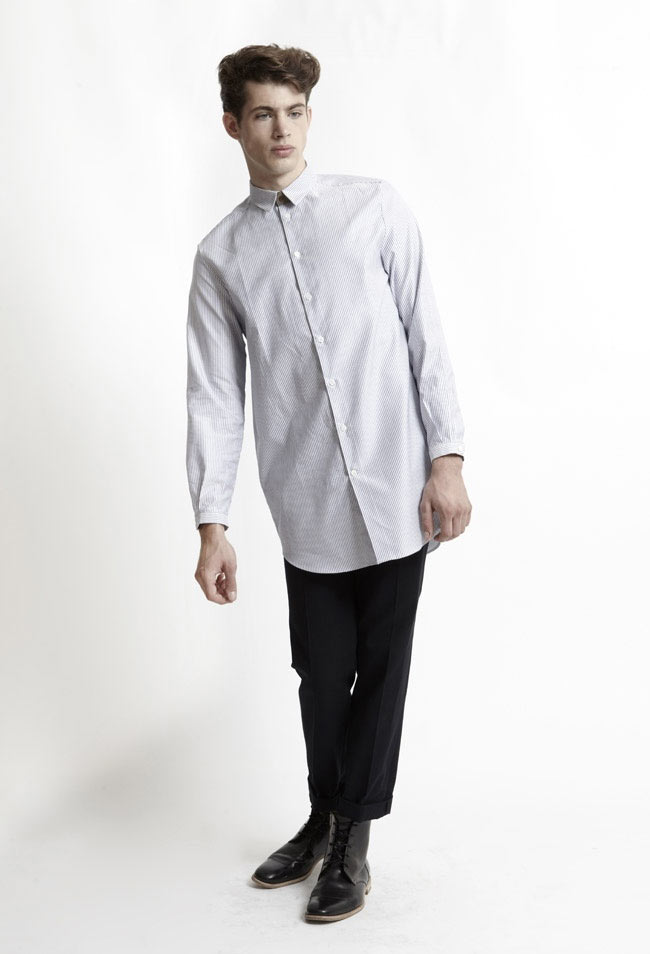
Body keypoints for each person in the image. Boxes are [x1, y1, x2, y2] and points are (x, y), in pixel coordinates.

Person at [185, 43, 472, 923]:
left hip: (397, 489)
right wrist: (211, 521)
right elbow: (214, 393)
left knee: (380, 672)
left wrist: (448, 458)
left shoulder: (372, 208)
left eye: (295, 111)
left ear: (309, 116)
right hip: (305, 500)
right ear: (232, 124)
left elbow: (425, 335)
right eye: (263, 114)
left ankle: (352, 837)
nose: (282, 129)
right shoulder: (222, 255)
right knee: (320, 673)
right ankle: (323, 814)